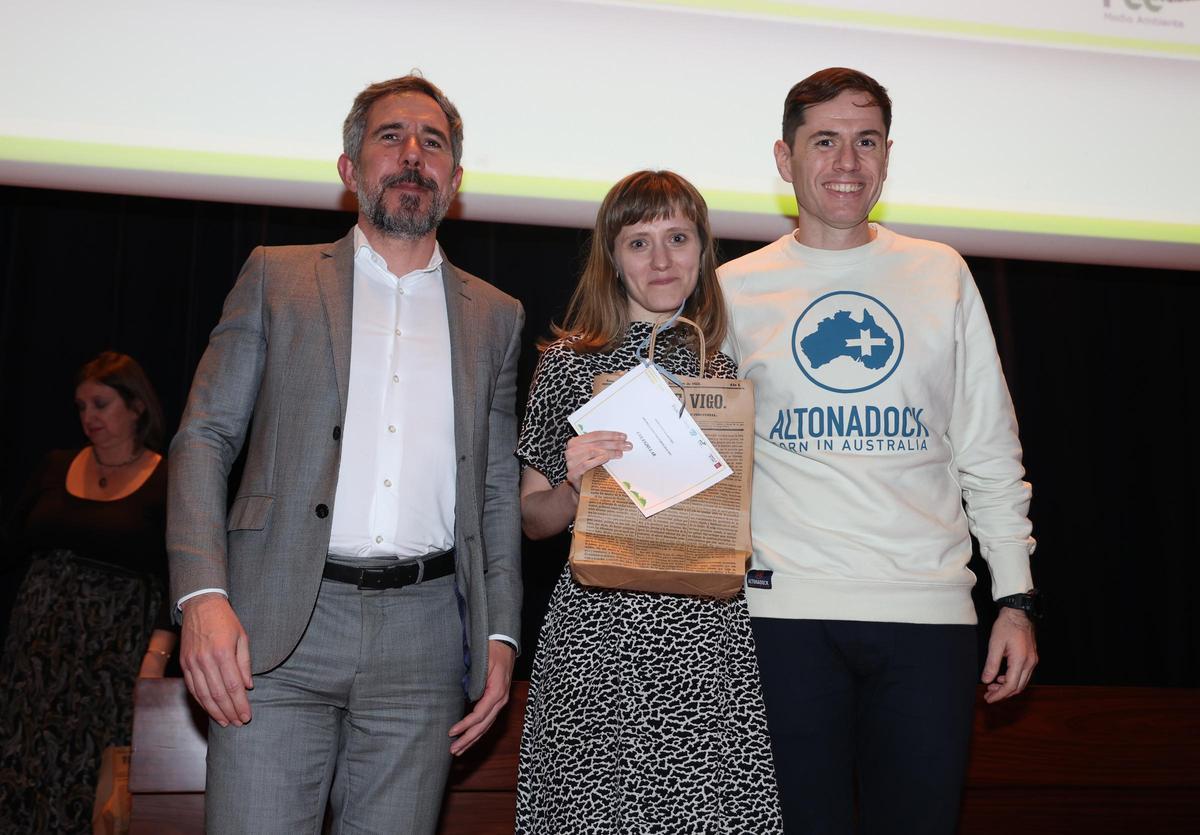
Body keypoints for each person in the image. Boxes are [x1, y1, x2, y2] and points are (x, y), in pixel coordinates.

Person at [167, 74, 524, 834]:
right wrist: (202, 598)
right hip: (272, 627)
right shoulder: (276, 276)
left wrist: (498, 633)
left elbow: (495, 493)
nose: (412, 155)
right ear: (350, 167)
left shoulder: (496, 316)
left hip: (427, 642)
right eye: (390, 136)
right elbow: (203, 436)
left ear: (454, 181)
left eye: (433, 143)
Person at [719, 67, 1040, 834]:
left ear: (888, 157)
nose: (846, 162)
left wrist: (1016, 597)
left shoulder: (941, 273)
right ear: (783, 156)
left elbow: (988, 446)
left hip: (927, 615)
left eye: (866, 142)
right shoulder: (732, 288)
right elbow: (708, 459)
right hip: (782, 613)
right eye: (823, 141)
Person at [516, 170, 783, 834]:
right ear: (612, 257)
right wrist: (577, 483)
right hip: (599, 640)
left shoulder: (730, 368)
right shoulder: (569, 363)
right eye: (639, 242)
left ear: (702, 249)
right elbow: (531, 519)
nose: (661, 260)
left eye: (677, 237)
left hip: (709, 639)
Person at [0, 351, 175, 833]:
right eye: (80, 407)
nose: (88, 417)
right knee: (23, 762)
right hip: (36, 654)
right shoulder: (56, 466)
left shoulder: (167, 478)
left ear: (136, 406)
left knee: (90, 772)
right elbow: (11, 545)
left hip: (113, 656)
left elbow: (178, 573)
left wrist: (157, 656)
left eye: (100, 404)